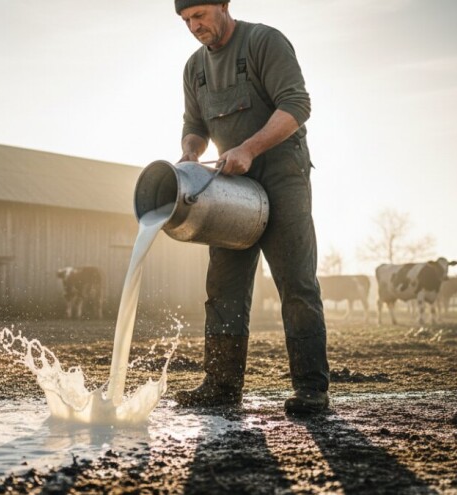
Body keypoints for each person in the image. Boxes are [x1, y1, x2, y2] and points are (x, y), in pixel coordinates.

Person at [172, 0, 330, 414]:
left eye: (200, 15)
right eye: (186, 20)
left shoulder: (263, 41)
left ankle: (311, 390)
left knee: (296, 283)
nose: (193, 26)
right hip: (230, 181)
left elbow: (297, 105)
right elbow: (194, 127)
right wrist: (190, 152)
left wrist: (250, 147)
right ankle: (222, 386)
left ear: (224, 5)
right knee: (223, 287)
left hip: (281, 173)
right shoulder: (194, 68)